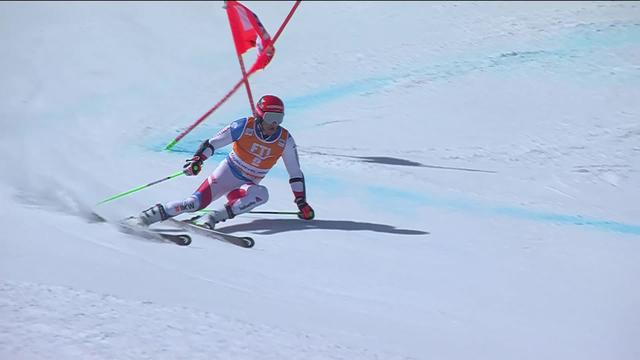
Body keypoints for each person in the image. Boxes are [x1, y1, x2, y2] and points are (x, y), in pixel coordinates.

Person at [129, 94, 315, 229]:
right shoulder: (243, 126)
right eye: (270, 118)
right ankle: (148, 217)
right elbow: (212, 144)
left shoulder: (285, 140)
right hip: (227, 173)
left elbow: (295, 173)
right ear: (259, 116)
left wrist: (301, 202)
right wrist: (198, 160)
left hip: (246, 185)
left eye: (278, 119)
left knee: (261, 194)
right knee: (193, 204)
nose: (274, 124)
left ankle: (215, 217)